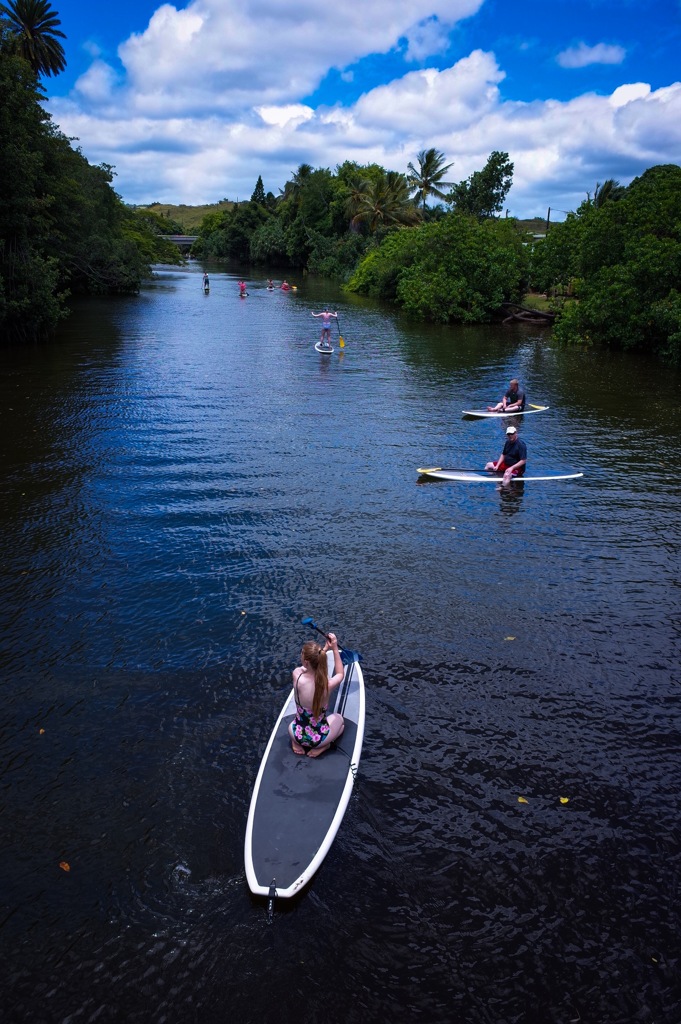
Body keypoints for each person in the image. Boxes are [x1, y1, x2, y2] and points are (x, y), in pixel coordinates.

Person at [288, 633, 345, 758]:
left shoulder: (297, 675)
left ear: (306, 662)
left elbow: (305, 669)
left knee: (293, 723)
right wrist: (334, 648)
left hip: (296, 734)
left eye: (301, 653)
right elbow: (340, 673)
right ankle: (325, 746)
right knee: (340, 721)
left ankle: (296, 743)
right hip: (318, 740)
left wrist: (323, 651)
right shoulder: (326, 685)